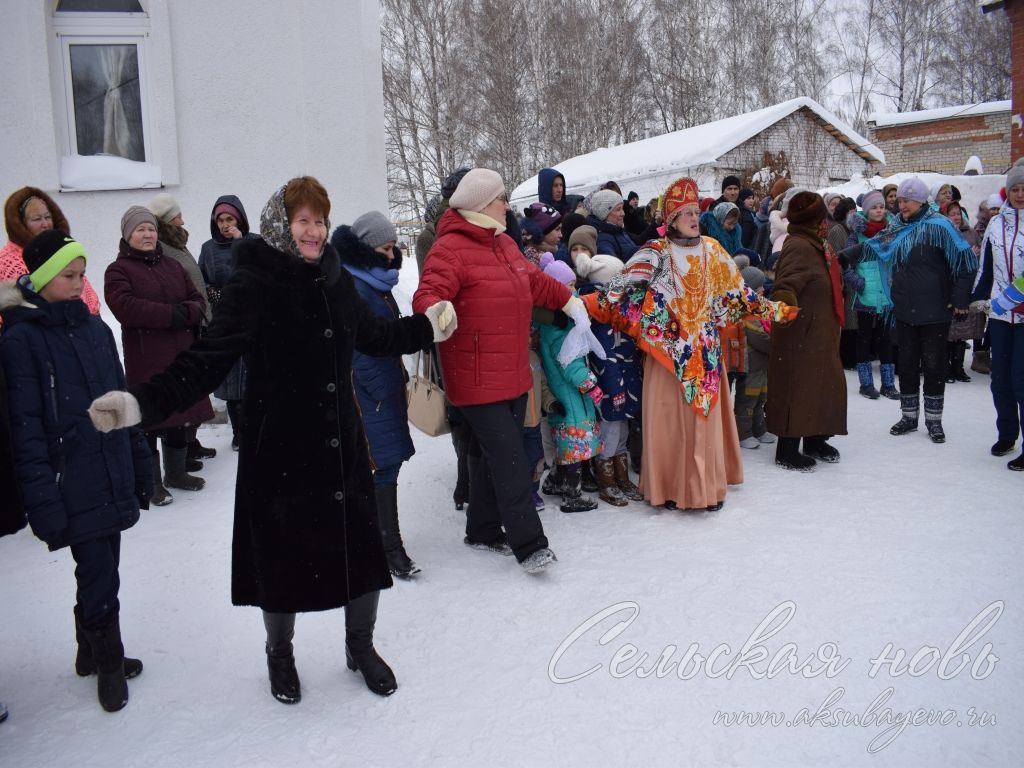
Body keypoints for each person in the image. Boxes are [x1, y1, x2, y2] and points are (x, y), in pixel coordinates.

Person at [88, 176, 456, 703]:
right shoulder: (255, 280)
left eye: (320, 220)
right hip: (280, 450)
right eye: (303, 220)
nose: (313, 231)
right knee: (282, 562)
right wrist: (140, 402)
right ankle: (279, 656)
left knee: (359, 551)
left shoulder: (333, 274)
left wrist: (427, 327)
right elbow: (206, 359)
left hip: (339, 445)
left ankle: (360, 646)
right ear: (281, 226)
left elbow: (375, 338)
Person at [1, 231, 153, 712]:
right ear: (42, 279)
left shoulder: (95, 331)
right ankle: (109, 662)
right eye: (69, 275)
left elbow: (122, 401)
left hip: (110, 470)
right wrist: (41, 499)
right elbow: (24, 429)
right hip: (72, 480)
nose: (78, 283)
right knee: (99, 573)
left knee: (104, 567)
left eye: (81, 274)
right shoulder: (21, 340)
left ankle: (89, 648)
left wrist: (139, 462)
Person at [583, 176, 796, 510]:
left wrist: (775, 310)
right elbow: (619, 288)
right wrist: (583, 304)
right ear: (670, 220)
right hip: (667, 352)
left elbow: (738, 295)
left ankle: (705, 488)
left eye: (696, 211)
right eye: (686, 213)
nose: (694, 218)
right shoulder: (655, 253)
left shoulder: (713, 250)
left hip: (705, 351)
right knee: (669, 425)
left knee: (701, 423)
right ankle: (669, 488)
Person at [413, 168, 580, 571]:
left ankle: (483, 529)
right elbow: (427, 294)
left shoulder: (502, 243)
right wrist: (436, 309)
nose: (508, 205)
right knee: (509, 460)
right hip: (474, 377)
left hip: (510, 371)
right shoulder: (449, 247)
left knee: (491, 459)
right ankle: (530, 544)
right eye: (501, 198)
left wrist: (570, 302)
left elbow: (534, 282)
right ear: (481, 204)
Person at [332, 211, 421, 578]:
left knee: (382, 468)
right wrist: (385, 387)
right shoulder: (354, 286)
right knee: (381, 467)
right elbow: (357, 349)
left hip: (382, 387)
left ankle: (372, 541)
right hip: (368, 393)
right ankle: (388, 548)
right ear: (367, 249)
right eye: (385, 248)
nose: (391, 254)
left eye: (392, 247)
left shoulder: (373, 283)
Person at [105, 206, 212, 505]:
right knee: (149, 420)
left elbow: (196, 299)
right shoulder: (118, 270)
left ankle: (176, 474)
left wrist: (189, 312)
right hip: (147, 357)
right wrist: (173, 315)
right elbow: (125, 306)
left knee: (181, 415)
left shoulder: (172, 265)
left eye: (151, 228)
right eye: (140, 229)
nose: (148, 234)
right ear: (128, 235)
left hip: (181, 353)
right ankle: (151, 482)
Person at [859, 177, 978, 443]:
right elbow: (871, 248)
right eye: (900, 200)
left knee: (935, 366)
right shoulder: (896, 228)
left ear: (922, 201)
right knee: (908, 365)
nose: (902, 205)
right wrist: (841, 256)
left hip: (935, 310)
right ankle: (909, 416)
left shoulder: (941, 226)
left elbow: (967, 262)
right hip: (904, 309)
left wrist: (959, 299)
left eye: (907, 200)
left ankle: (934, 421)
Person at [768, 192, 848, 471]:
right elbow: (785, 285)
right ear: (814, 220)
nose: (825, 221)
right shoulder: (800, 245)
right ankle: (787, 450)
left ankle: (815, 439)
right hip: (802, 333)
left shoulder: (818, 244)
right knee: (799, 389)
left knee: (822, 386)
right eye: (821, 217)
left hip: (821, 331)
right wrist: (787, 307)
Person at [149, 192, 217, 467]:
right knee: (188, 386)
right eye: (177, 216)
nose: (182, 219)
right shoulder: (163, 246)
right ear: (167, 219)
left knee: (198, 387)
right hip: (186, 323)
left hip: (198, 318)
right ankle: (183, 447)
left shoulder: (177, 240)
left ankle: (190, 441)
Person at [972, 161, 1024, 469]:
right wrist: (976, 297)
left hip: (1017, 311)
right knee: (1000, 378)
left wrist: (1004, 300)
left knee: (1022, 379)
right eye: (1015, 189)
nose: (1020, 194)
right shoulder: (997, 223)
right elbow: (986, 267)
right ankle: (1007, 433)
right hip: (1002, 318)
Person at [198, 195, 259, 450]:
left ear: (240, 220)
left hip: (255, 320)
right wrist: (214, 295)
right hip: (225, 321)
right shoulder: (208, 248)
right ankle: (239, 434)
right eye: (220, 220)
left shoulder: (254, 242)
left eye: (230, 219)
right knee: (232, 382)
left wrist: (239, 243)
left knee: (255, 379)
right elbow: (202, 281)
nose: (225, 224)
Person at [1, 187, 101, 315]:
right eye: (37, 219)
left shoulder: (66, 254)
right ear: (21, 223)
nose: (45, 224)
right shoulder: (5, 263)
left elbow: (89, 302)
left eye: (48, 217)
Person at [843, 190, 898, 400]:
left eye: (882, 206)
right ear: (866, 210)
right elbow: (846, 263)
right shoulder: (856, 235)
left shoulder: (892, 231)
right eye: (874, 207)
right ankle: (866, 383)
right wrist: (859, 284)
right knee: (864, 338)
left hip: (886, 293)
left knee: (886, 339)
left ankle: (888, 383)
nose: (879, 210)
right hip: (866, 294)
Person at [941, 200, 985, 383]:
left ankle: (958, 367)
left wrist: (977, 254)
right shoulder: (942, 233)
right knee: (948, 331)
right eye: (952, 213)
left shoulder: (971, 233)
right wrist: (967, 256)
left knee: (962, 331)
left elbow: (982, 255)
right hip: (948, 288)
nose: (956, 217)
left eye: (958, 213)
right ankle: (946, 368)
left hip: (967, 287)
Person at [735, 266, 774, 449]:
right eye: (760, 287)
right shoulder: (747, 311)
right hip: (751, 363)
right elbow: (759, 338)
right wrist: (775, 345)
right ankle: (743, 433)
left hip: (762, 363)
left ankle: (759, 429)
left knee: (761, 398)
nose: (763, 289)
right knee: (748, 399)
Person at [587, 189, 638, 261]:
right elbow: (613, 267)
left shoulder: (617, 230)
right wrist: (637, 252)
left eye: (622, 209)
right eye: (618, 209)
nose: (623, 213)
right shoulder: (603, 240)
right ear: (604, 214)